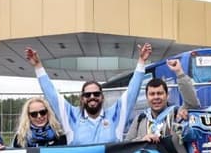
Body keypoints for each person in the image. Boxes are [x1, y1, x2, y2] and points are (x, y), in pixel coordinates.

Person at [24, 43, 152, 145]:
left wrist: (141, 62)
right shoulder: (70, 117)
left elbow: (132, 92)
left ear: (102, 97)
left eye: (96, 94)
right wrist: (38, 66)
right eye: (88, 94)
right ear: (82, 98)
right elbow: (51, 95)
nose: (92, 97)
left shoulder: (116, 115)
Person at [125, 58, 200, 153]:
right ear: (147, 97)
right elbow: (127, 144)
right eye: (152, 94)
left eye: (160, 93)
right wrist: (143, 139)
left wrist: (179, 72)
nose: (156, 97)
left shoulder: (178, 113)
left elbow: (193, 103)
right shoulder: (141, 119)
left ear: (167, 95)